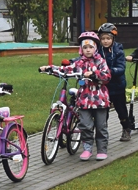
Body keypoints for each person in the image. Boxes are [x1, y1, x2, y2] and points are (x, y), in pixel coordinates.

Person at [42, 31, 111, 160]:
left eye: (91, 47)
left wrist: (93, 75)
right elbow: (66, 70)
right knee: (85, 125)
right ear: (81, 49)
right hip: (84, 99)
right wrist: (49, 68)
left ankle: (102, 149)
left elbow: (107, 76)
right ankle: (87, 148)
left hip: (100, 100)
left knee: (101, 126)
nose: (88, 50)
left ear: (95, 48)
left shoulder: (101, 61)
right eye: (85, 47)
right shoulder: (79, 63)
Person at [97, 23, 131, 142]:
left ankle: (126, 128)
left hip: (116, 86)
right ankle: (101, 133)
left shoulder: (118, 51)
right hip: (101, 86)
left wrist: (110, 71)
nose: (105, 41)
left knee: (120, 109)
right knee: (102, 111)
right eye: (103, 39)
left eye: (108, 38)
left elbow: (121, 67)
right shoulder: (97, 50)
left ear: (113, 39)